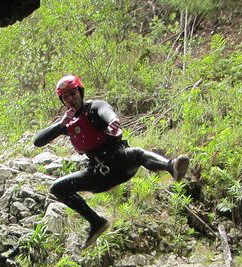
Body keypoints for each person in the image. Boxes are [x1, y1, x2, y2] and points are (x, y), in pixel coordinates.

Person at [33, 75, 190, 248]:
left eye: (73, 94)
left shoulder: (95, 107)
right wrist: (60, 124)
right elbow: (38, 141)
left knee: (137, 153)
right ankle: (96, 222)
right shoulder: (68, 123)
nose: (70, 99)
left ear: (80, 92)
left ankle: (171, 166)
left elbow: (107, 112)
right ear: (63, 101)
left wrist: (113, 121)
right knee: (57, 187)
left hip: (120, 163)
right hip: (99, 174)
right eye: (66, 97)